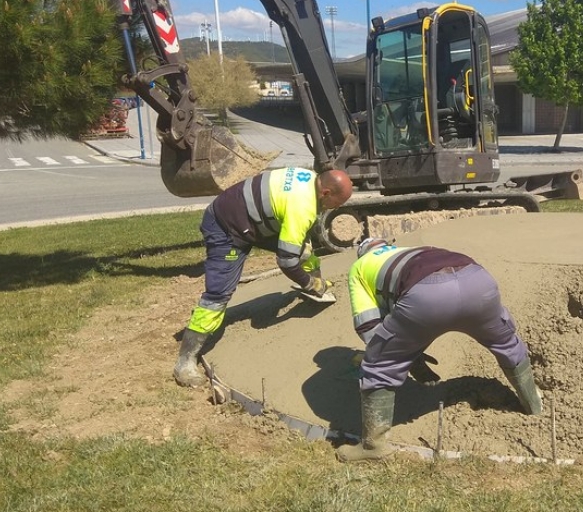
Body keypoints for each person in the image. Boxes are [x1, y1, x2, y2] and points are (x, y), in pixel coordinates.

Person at [336, 236, 542, 463]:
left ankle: (373, 446)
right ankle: (533, 405)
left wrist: (397, 352)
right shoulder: (412, 251)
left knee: (378, 364)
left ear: (363, 253)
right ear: (388, 246)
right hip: (477, 280)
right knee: (506, 343)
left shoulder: (359, 267)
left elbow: (368, 325)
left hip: (426, 297)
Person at [173, 166, 354, 388]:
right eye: (337, 203)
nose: (338, 207)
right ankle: (185, 362)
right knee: (218, 295)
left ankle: (318, 286)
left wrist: (314, 278)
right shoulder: (302, 207)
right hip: (226, 227)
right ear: (325, 193)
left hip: (252, 220)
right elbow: (286, 261)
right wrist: (307, 283)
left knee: (304, 250)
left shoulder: (307, 177)